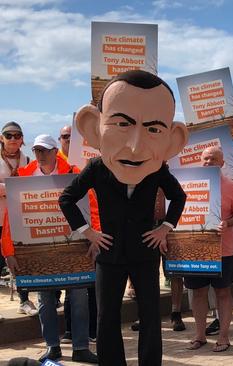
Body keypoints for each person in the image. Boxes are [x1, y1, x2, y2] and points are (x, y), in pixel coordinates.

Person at [59, 70, 189, 366]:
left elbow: (179, 196)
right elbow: (66, 198)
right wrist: (87, 232)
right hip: (109, 252)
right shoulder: (97, 167)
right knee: (107, 317)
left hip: (144, 252)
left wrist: (165, 228)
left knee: (150, 315)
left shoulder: (155, 168)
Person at [1, 134, 98, 363]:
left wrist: (95, 239)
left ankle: (81, 347)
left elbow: (92, 206)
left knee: (79, 298)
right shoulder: (23, 177)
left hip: (75, 250)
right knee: (45, 300)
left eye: (44, 150)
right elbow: (10, 219)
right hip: (38, 252)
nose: (40, 155)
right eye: (36, 151)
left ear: (56, 151)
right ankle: (52, 347)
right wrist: (8, 252)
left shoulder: (74, 173)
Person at [185, 146, 233, 352]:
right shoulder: (189, 185)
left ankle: (223, 336)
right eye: (205, 159)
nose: (208, 163)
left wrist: (228, 223)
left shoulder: (231, 186)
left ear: (222, 163)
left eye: (213, 159)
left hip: (223, 251)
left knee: (223, 293)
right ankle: (200, 335)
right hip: (197, 250)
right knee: (198, 293)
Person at [0, 121, 36, 317]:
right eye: (8, 135)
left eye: (17, 135)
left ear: (22, 139)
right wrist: (12, 188)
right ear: (1, 138)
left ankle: (24, 300)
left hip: (17, 221)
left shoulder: (28, 160)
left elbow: (31, 187)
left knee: (20, 262)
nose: (13, 139)